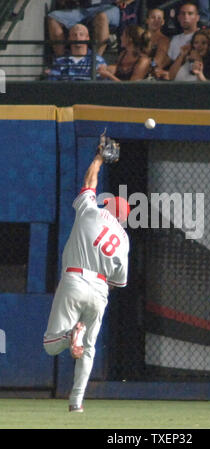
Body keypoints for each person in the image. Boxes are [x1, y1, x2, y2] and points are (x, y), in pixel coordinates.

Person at [43, 140, 130, 413]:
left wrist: (98, 159)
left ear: (107, 206)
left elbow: (89, 182)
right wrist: (99, 290)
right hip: (100, 290)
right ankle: (76, 404)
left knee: (51, 346)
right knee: (90, 349)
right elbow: (119, 281)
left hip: (75, 279)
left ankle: (70, 333)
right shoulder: (124, 240)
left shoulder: (91, 211)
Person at [47, 0, 131, 56]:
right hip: (83, 9)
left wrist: (125, 1)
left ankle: (96, 60)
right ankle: (61, 60)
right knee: (53, 17)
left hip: (109, 7)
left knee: (102, 17)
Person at [162, 2, 201, 69]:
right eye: (183, 14)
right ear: (178, 17)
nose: (185, 17)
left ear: (197, 17)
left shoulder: (203, 37)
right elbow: (167, 61)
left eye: (190, 13)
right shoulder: (175, 39)